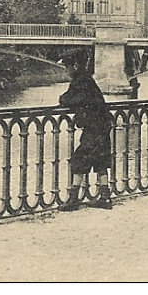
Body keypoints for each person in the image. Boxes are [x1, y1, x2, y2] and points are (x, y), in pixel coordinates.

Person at [57, 62, 114, 211]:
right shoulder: (87, 79)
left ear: (74, 66)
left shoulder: (80, 81)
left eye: (67, 67)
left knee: (79, 158)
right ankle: (105, 196)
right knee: (100, 159)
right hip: (102, 124)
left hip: (94, 126)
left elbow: (67, 99)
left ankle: (73, 199)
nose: (66, 70)